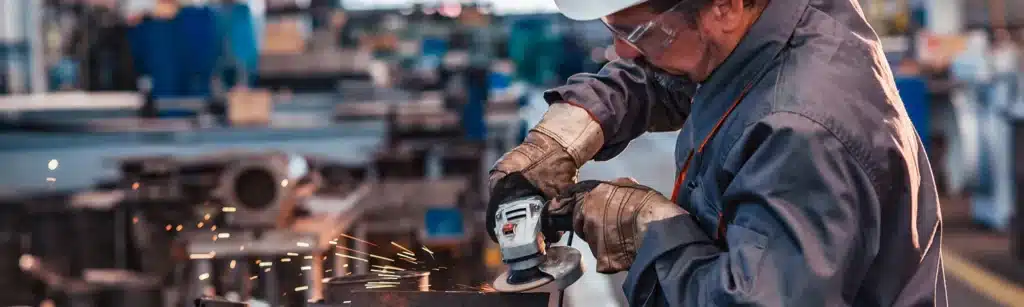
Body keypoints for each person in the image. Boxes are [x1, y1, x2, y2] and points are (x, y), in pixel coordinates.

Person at [485, 0, 946, 306]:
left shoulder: (803, 135)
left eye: (638, 31)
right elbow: (666, 75)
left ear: (723, 6)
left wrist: (644, 228)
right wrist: (568, 132)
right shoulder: (767, 22)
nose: (621, 49)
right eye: (615, 29)